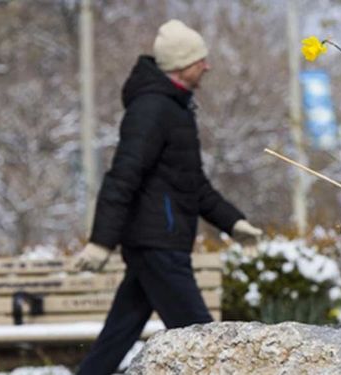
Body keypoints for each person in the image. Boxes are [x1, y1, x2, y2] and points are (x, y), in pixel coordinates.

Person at [72, 19, 262, 375]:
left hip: (160, 242)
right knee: (203, 340)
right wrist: (101, 242)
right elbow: (122, 176)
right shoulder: (152, 110)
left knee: (118, 335)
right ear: (179, 64)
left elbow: (194, 185)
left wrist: (234, 222)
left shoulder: (175, 109)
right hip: (157, 244)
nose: (207, 66)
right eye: (199, 60)